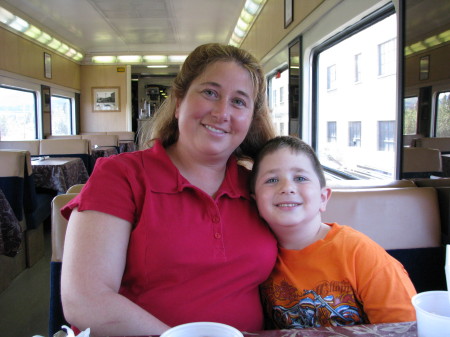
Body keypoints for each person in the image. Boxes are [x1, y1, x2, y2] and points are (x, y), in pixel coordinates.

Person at [60, 43, 278, 336]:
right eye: (210, 92)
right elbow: (84, 300)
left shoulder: (260, 187)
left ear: (250, 119)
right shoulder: (122, 176)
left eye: (239, 102)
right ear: (178, 102)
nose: (221, 112)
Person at [250, 136, 417, 329]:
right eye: (271, 180)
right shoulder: (256, 257)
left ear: (323, 198)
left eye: (300, 178)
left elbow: (405, 330)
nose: (286, 187)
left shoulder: (360, 254)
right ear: (255, 201)